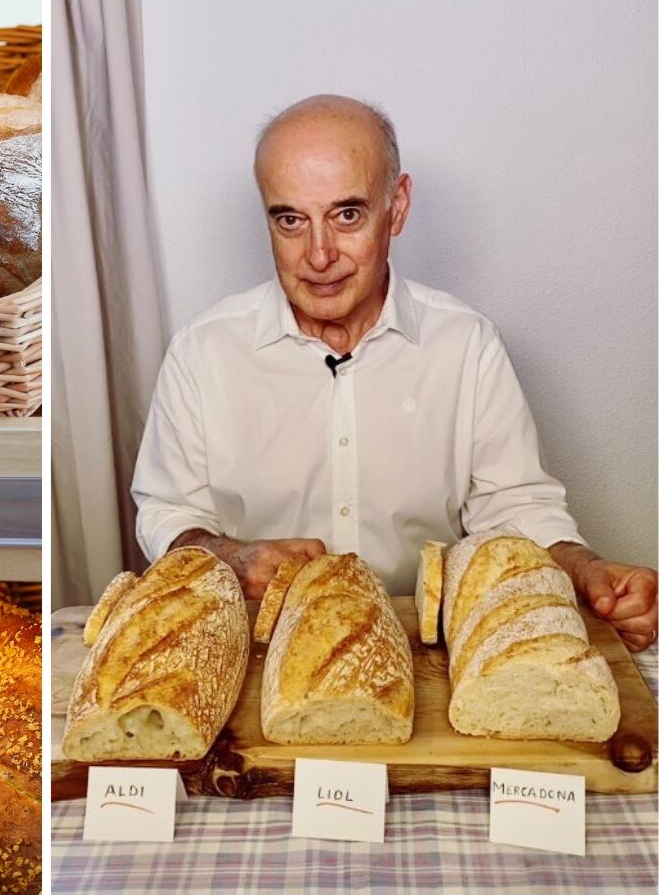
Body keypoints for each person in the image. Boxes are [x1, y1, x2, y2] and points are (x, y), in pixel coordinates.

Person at [131, 94, 657, 652]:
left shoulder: (466, 343)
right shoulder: (202, 350)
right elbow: (169, 514)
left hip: (430, 650)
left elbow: (516, 509)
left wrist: (584, 570)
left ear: (398, 207)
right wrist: (231, 559)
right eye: (290, 220)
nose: (319, 254)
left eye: (347, 215)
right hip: (261, 650)